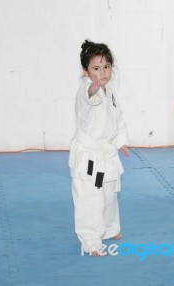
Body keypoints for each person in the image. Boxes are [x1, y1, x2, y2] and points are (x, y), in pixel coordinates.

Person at [69, 39, 129, 256]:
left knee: (108, 192)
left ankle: (110, 228)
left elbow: (117, 120)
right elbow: (87, 102)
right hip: (89, 158)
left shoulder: (111, 94)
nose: (102, 73)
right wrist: (92, 90)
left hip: (105, 154)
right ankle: (91, 241)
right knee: (90, 197)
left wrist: (120, 141)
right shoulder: (86, 90)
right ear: (86, 71)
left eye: (107, 67)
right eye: (96, 68)